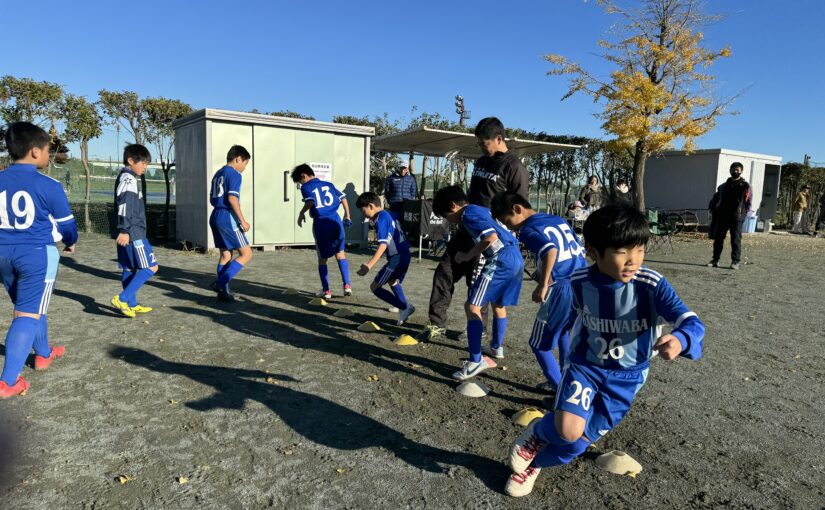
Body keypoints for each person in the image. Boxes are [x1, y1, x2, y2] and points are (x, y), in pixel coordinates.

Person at [503, 204, 704, 497]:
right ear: (594, 253)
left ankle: (534, 466)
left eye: (639, 250)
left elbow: (692, 321)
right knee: (567, 429)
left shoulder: (651, 285)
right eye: (622, 252)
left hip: (628, 378)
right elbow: (563, 315)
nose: (633, 261)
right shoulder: (578, 283)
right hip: (586, 366)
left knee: (576, 444)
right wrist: (546, 337)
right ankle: (538, 432)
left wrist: (682, 339)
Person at [417, 116, 529, 342]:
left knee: (476, 281)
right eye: (478, 143)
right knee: (444, 273)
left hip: (489, 235)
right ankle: (437, 324)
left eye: (483, 143)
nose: (480, 147)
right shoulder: (481, 162)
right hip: (466, 229)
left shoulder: (514, 167)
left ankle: (478, 327)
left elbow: (521, 208)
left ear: (498, 138)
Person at [0, 122, 78, 398]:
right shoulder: (48, 185)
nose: (49, 155)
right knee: (27, 313)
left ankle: (43, 353)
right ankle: (8, 382)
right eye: (47, 150)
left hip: (3, 255)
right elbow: (68, 226)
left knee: (32, 307)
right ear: (35, 152)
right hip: (36, 254)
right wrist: (70, 242)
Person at [492, 192, 587, 396]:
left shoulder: (528, 228)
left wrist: (543, 284)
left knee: (539, 345)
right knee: (564, 334)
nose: (509, 227)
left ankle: (562, 395)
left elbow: (551, 251)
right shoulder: (556, 219)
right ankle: (567, 383)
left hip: (561, 289)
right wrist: (543, 271)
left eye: (506, 221)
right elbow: (578, 250)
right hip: (581, 282)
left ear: (517, 209)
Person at [432, 186, 524, 380]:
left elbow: (490, 238)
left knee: (472, 306)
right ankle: (496, 347)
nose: (448, 220)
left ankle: (475, 361)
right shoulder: (481, 209)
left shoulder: (468, 215)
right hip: (516, 257)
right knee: (498, 304)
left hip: (500, 259)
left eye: (446, 215)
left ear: (453, 206)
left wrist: (467, 255)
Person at [291, 164, 353, 300]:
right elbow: (343, 197)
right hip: (336, 221)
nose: (301, 184)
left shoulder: (306, 187)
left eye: (300, 181)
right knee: (340, 254)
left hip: (321, 223)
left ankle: (326, 291)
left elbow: (310, 202)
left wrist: (301, 213)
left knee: (322, 259)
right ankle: (347, 285)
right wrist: (347, 215)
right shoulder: (328, 184)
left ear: (304, 176)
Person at [111, 144, 158, 318]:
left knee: (129, 268)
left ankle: (131, 304)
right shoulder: (128, 179)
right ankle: (123, 298)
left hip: (129, 230)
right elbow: (125, 205)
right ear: (131, 161)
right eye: (143, 162)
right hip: (133, 232)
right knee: (151, 267)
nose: (145, 166)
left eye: (147, 163)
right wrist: (125, 229)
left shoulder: (127, 177)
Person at [355, 192, 415, 324]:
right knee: (392, 280)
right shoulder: (388, 214)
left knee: (375, 287)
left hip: (397, 258)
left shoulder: (382, 218)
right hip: (404, 254)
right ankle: (404, 308)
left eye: (362, 210)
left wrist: (369, 265)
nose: (362, 213)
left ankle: (404, 307)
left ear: (370, 206)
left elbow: (383, 244)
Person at [209, 145, 253, 302]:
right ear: (238, 159)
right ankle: (220, 284)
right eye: (245, 163)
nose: (244, 168)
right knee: (246, 254)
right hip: (227, 216)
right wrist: (243, 221)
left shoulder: (218, 173)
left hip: (215, 214)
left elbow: (212, 198)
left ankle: (223, 292)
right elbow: (232, 199)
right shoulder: (234, 174)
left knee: (226, 254)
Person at [707, 162, 752, 270]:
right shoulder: (722, 186)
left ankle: (735, 262)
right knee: (718, 239)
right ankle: (715, 260)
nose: (735, 171)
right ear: (730, 170)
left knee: (735, 240)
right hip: (722, 216)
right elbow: (717, 200)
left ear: (741, 171)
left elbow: (748, 201)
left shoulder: (746, 186)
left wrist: (743, 215)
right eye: (733, 169)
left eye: (737, 170)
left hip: (737, 217)